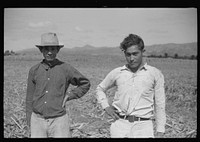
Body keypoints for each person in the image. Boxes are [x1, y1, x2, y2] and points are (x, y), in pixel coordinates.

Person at [96, 34, 166, 138]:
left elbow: (160, 104)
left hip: (143, 128)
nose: (131, 58)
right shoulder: (118, 72)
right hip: (119, 126)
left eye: (135, 54)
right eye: (128, 54)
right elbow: (100, 89)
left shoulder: (155, 74)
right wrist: (106, 107)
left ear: (143, 52)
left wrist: (160, 129)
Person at [26, 32, 90, 138]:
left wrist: (70, 95)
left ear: (58, 50)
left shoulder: (66, 68)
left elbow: (85, 83)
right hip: (37, 120)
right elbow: (29, 97)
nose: (50, 52)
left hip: (59, 120)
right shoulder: (34, 70)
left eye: (53, 49)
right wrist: (29, 120)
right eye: (46, 49)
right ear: (41, 50)